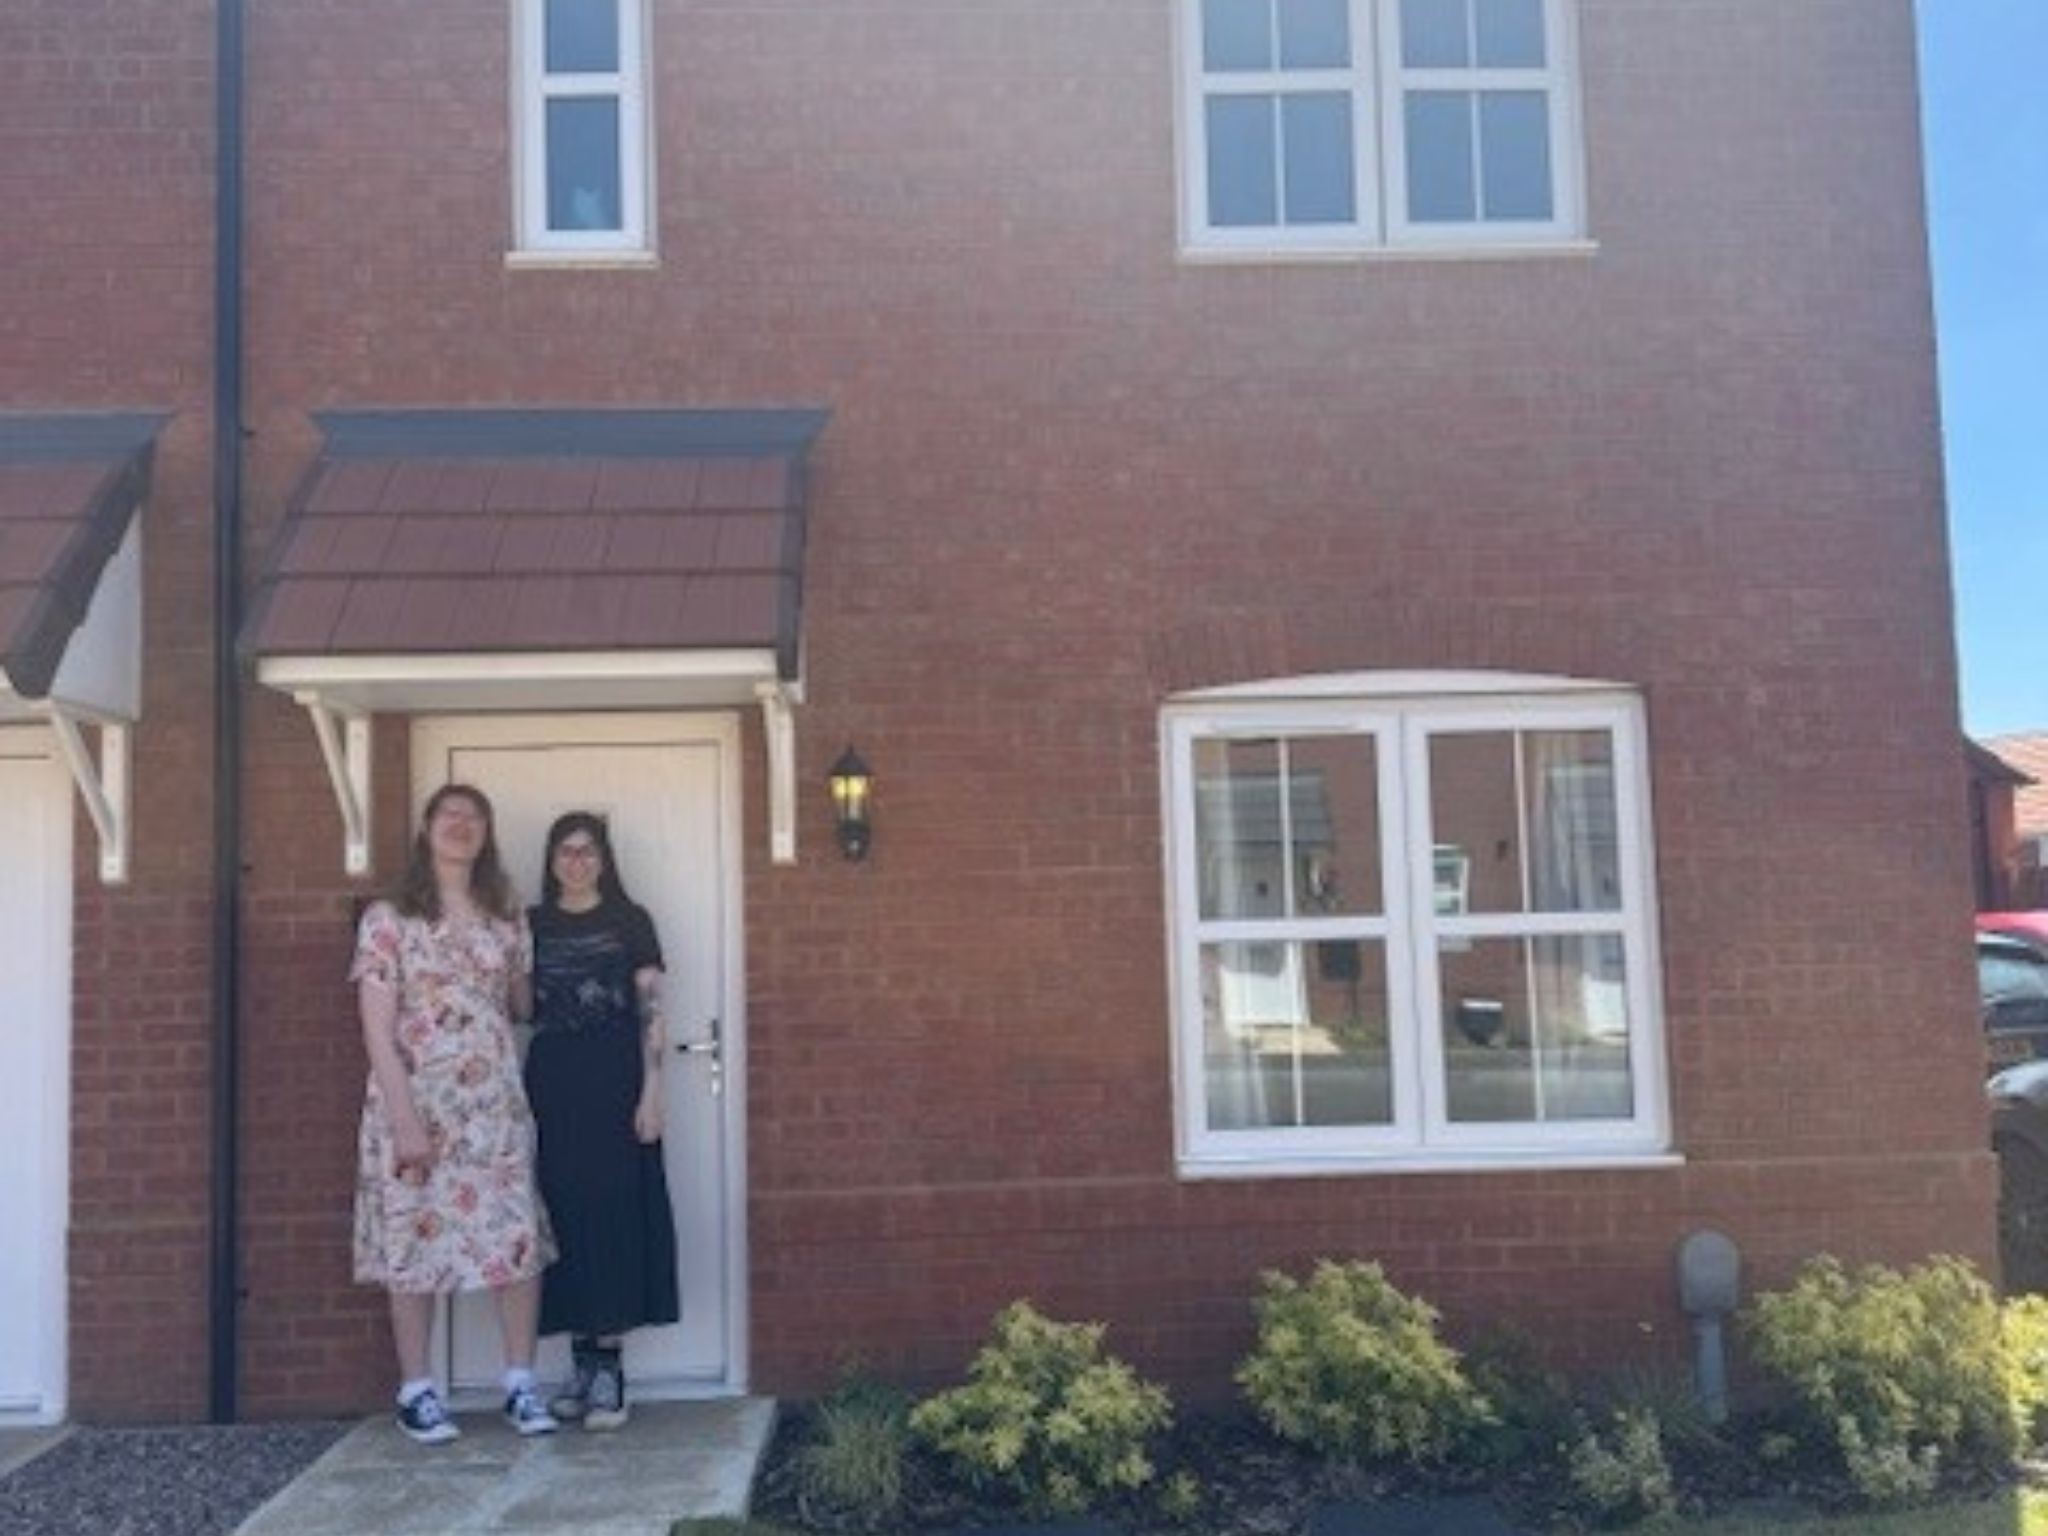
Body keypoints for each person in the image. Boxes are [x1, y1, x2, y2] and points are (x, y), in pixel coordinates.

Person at [350, 783, 558, 1444]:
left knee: (515, 1237)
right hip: (416, 1107)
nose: (461, 825)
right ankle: (417, 1390)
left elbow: (521, 1005)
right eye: (449, 814)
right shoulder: (388, 917)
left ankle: (521, 1385)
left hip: (493, 1107)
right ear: (427, 829)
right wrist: (406, 1120)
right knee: (414, 1240)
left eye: (474, 817)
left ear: (487, 833)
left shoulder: (506, 915)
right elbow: (377, 1029)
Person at [524, 811, 679, 1431]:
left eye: (589, 850)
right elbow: (517, 1002)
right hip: (554, 1082)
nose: (578, 861)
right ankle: (581, 1365)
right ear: (551, 859)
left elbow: (653, 1010)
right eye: (566, 850)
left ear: (605, 858)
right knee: (562, 1210)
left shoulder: (630, 921)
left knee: (614, 1210)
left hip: (617, 1080)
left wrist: (653, 1089)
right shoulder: (530, 924)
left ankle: (610, 1370)